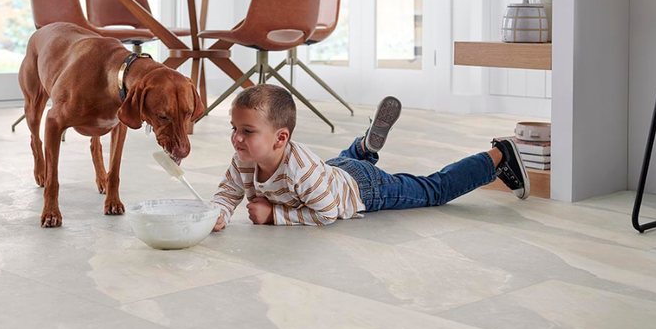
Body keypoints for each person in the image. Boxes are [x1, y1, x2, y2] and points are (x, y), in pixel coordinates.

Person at [211, 84, 528, 231]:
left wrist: (275, 216)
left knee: (435, 189)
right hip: (334, 172)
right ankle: (364, 148)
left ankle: (500, 154)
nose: (236, 137)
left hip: (364, 188)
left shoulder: (300, 170)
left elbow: (329, 212)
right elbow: (229, 191)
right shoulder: (244, 158)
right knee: (337, 166)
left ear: (281, 138)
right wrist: (218, 213)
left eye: (247, 131)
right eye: (234, 128)